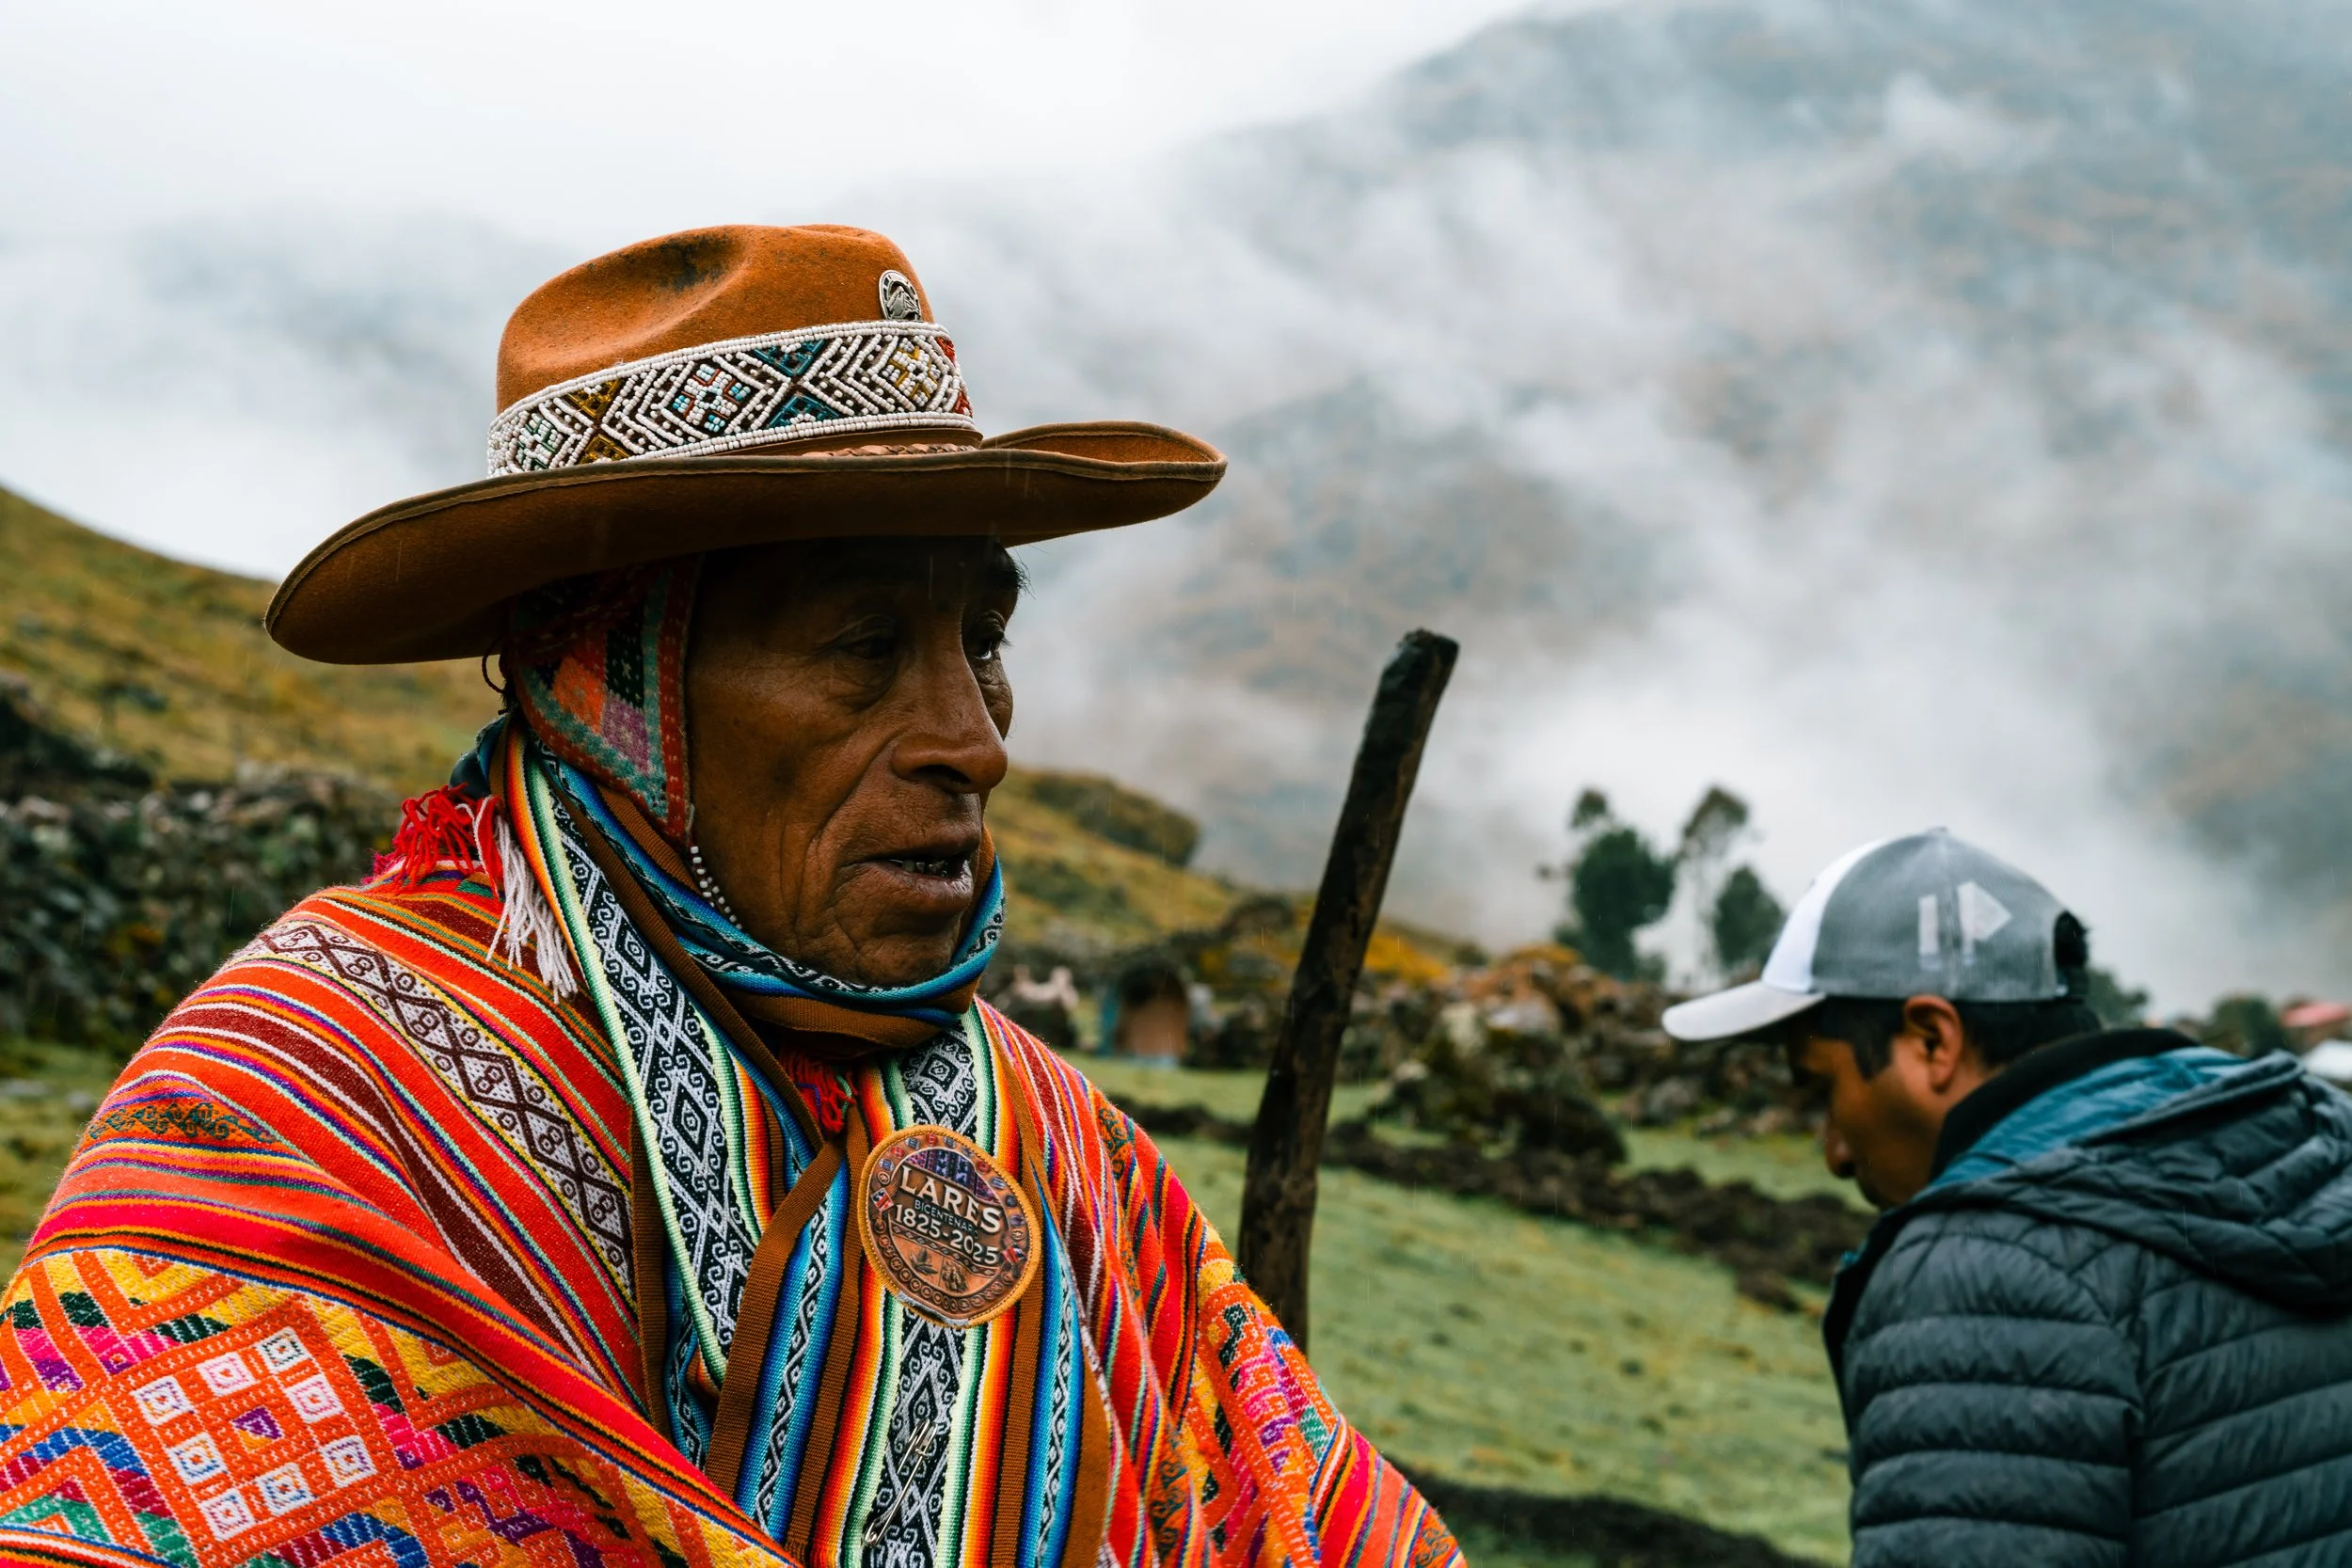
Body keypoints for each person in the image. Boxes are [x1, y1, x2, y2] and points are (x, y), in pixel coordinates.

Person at [0, 226, 1459, 1568]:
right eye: (863, 644)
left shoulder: (1057, 1148)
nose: (977, 739)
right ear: (616, 687)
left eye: (984, 638)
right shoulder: (307, 1095)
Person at [1665, 828, 2352, 1565]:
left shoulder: (1980, 1271)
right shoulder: (2320, 1147)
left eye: (1825, 1089)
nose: (1834, 1150)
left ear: (1933, 1039)